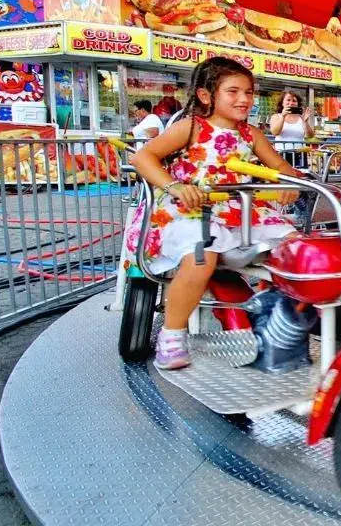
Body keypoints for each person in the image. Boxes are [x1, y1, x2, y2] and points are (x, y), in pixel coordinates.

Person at [126, 57, 299, 370]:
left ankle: (281, 319)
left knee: (295, 244)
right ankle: (172, 334)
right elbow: (144, 157)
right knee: (201, 255)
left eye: (249, 92)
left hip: (239, 208)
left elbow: (280, 166)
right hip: (192, 206)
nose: (244, 99)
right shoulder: (191, 126)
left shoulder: (251, 135)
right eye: (233, 92)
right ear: (207, 96)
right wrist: (175, 186)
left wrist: (288, 181)